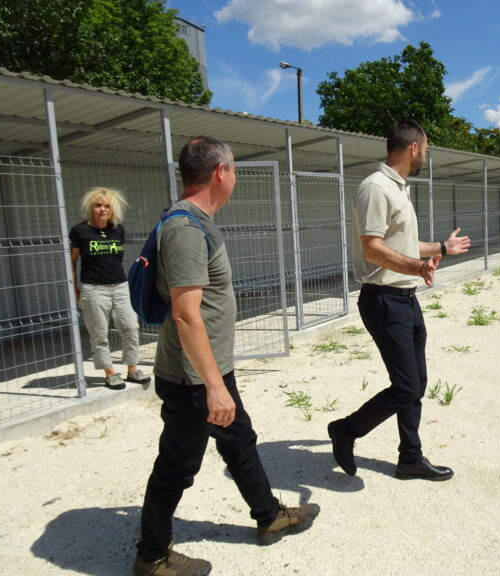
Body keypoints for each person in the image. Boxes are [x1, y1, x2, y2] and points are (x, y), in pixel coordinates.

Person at [134, 136, 319, 576]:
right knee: (177, 466)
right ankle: (152, 556)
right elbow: (184, 315)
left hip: (211, 369)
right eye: (234, 169)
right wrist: (214, 386)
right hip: (193, 379)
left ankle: (269, 516)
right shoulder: (184, 229)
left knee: (239, 440)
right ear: (220, 172)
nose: (234, 177)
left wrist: (220, 377)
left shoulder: (198, 221)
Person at [328, 120, 471, 482]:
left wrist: (441, 248)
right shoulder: (376, 188)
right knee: (406, 386)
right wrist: (417, 266)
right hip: (383, 300)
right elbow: (372, 248)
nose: (425, 154)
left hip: (405, 298)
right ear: (413, 147)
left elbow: (402, 246)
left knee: (416, 383)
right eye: (425, 147)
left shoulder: (398, 188)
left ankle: (410, 457)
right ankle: (346, 430)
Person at [70, 187, 151, 390]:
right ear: (91, 207)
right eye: (98, 205)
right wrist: (75, 289)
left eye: (106, 206)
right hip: (94, 289)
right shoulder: (80, 231)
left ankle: (132, 369)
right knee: (99, 333)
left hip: (120, 286)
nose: (102, 210)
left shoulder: (117, 230)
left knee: (131, 327)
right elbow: (71, 262)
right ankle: (110, 373)